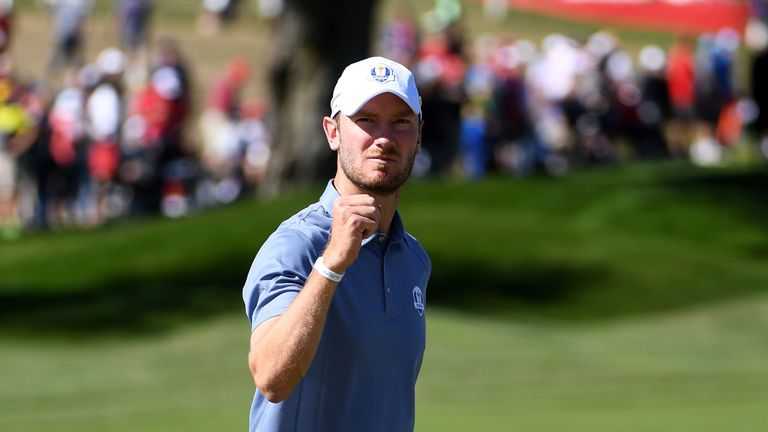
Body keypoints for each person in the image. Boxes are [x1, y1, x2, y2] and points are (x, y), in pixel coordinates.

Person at [242, 56, 431, 431]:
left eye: (401, 122)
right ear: (332, 132)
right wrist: (331, 266)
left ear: (419, 138)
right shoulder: (296, 244)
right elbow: (271, 377)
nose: (384, 137)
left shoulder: (413, 259)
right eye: (365, 120)